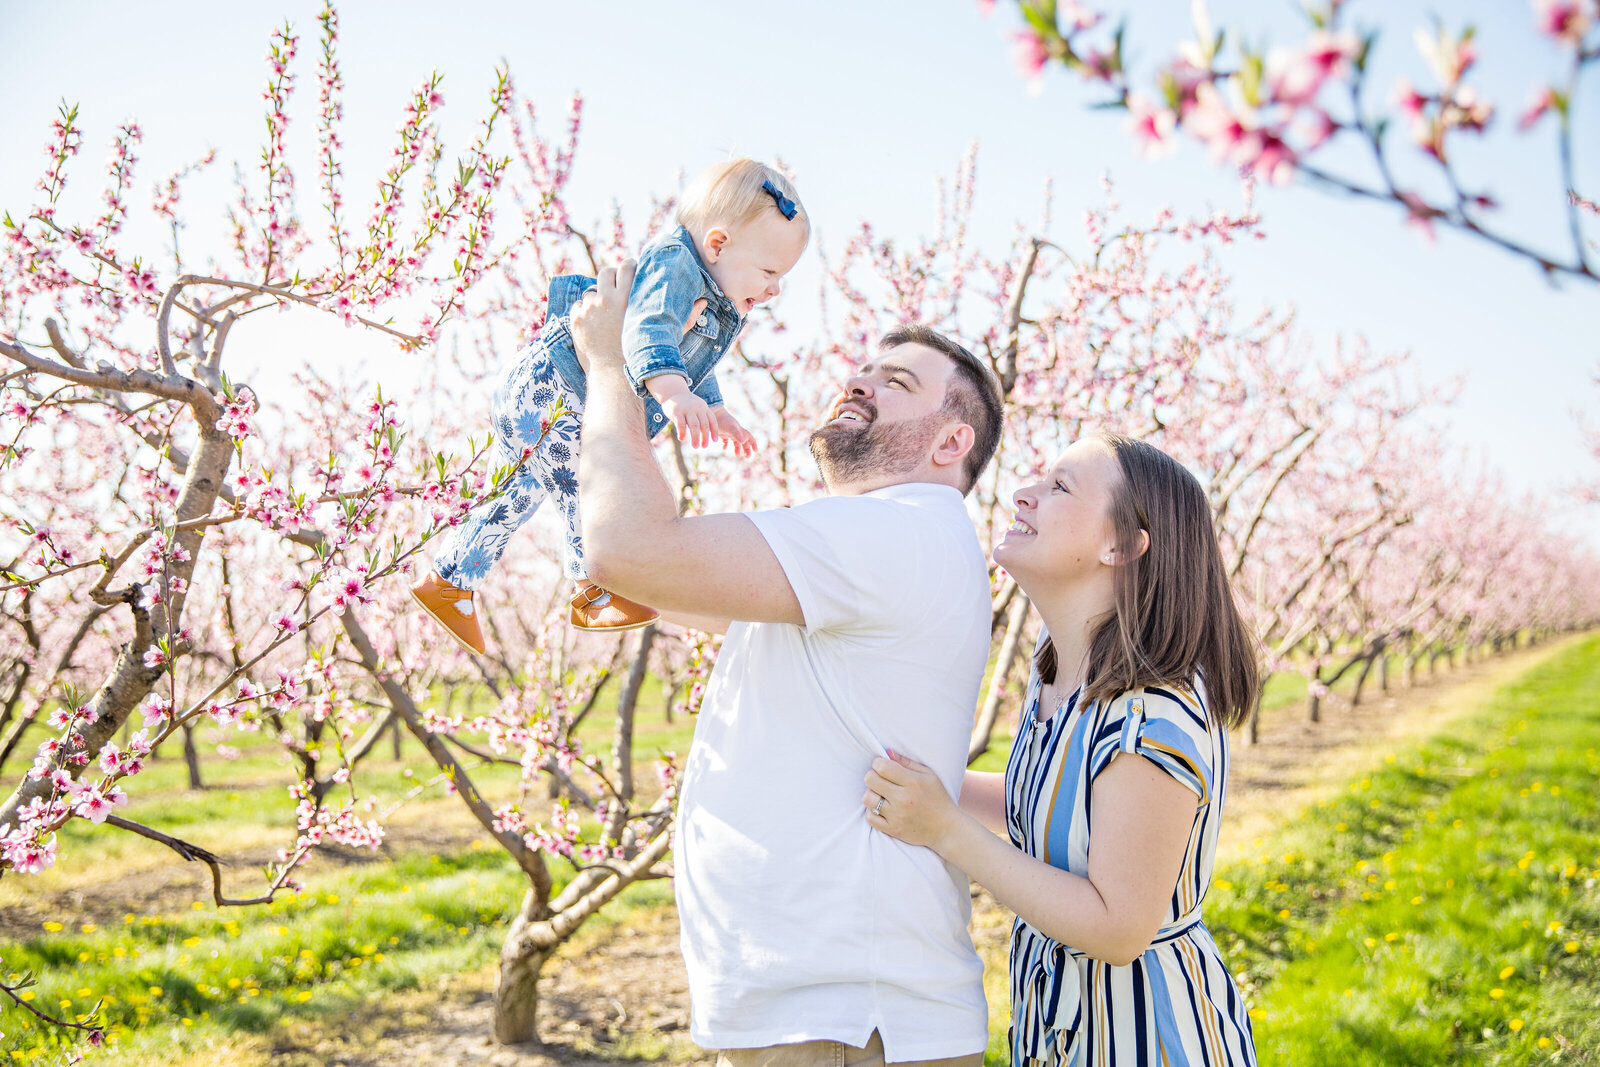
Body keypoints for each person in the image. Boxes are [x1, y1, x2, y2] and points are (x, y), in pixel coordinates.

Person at [568, 261, 1007, 1066]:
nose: (860, 381)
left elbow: (628, 549)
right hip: (826, 1009)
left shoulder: (898, 529)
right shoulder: (881, 541)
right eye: (863, 369)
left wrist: (609, 369)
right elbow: (664, 580)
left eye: (896, 380)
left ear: (952, 440)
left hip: (843, 1017)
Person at [863, 433, 1261, 1066]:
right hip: (1061, 1027)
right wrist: (923, 782)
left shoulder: (1150, 711)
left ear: (1123, 545)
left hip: (1142, 1038)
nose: (1024, 494)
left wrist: (944, 829)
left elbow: (1116, 927)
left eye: (1060, 487)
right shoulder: (1056, 678)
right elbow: (1046, 802)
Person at [411, 158, 809, 652]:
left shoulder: (714, 294)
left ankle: (449, 581)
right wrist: (675, 395)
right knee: (591, 483)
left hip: (549, 392)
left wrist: (714, 406)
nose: (774, 289)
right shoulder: (676, 266)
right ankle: (591, 591)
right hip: (558, 390)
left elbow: (692, 360)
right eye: (769, 271)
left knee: (515, 494)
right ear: (718, 244)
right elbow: (650, 331)